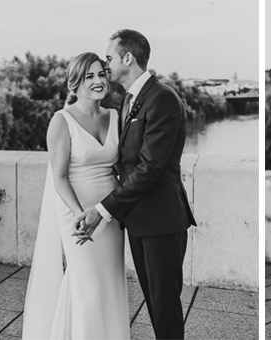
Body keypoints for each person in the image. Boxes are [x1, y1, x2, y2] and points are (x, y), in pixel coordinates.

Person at [71, 29, 196, 339]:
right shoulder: (129, 100)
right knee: (155, 304)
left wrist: (102, 209)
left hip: (161, 219)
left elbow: (150, 167)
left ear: (128, 58)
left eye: (110, 57)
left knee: (165, 306)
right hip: (139, 219)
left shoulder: (162, 97)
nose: (106, 63)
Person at [22, 52, 129, 339]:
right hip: (76, 213)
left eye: (101, 74)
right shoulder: (61, 121)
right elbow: (58, 176)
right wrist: (81, 214)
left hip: (109, 214)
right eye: (88, 76)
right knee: (88, 287)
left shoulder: (115, 116)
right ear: (75, 84)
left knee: (110, 284)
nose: (98, 81)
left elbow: (122, 169)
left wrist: (112, 208)